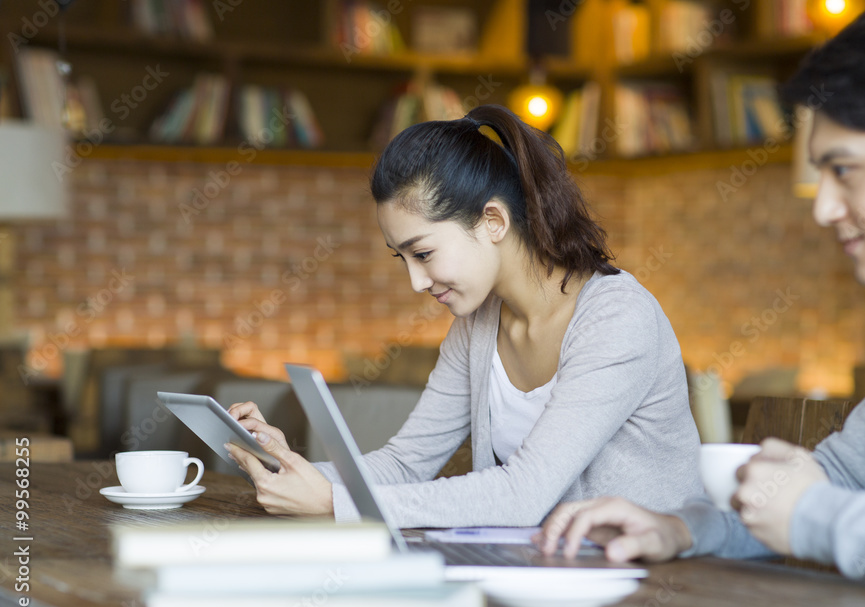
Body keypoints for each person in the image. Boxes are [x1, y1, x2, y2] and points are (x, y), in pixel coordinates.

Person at [538, 0, 865, 602]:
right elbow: (842, 479)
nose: (823, 208)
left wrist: (814, 517)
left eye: (845, 170)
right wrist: (685, 528)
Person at [225, 104, 703, 528]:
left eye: (424, 252)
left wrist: (335, 502)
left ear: (492, 221)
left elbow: (524, 495)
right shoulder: (476, 325)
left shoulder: (618, 318)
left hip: (651, 582)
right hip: (537, 573)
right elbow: (406, 463)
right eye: (403, 258)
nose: (416, 281)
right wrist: (289, 468)